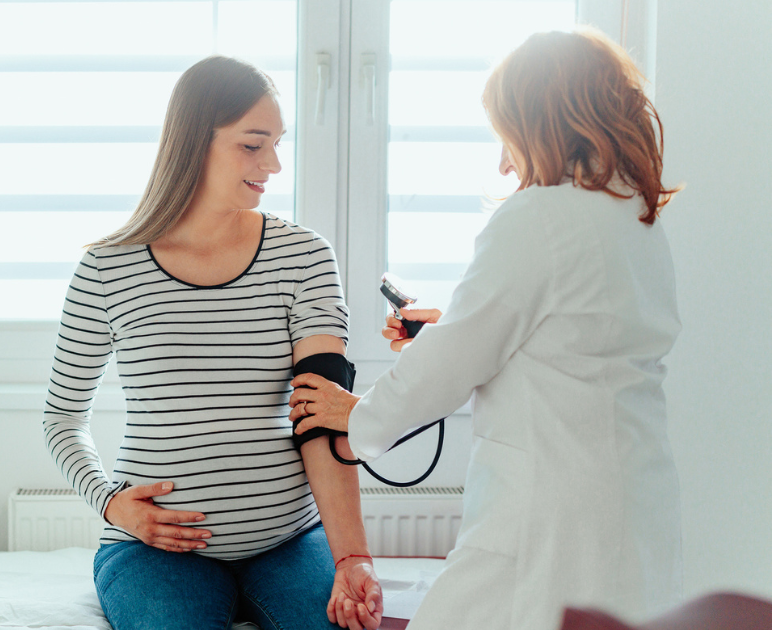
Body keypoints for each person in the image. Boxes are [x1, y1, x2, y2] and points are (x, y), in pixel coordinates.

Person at [289, 28, 684, 630]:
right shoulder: (635, 215)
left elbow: (450, 369)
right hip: (636, 506)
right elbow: (580, 340)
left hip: (547, 519)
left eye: (507, 137)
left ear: (543, 124)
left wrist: (355, 413)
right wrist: (457, 325)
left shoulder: (537, 216)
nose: (503, 161)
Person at [42, 56, 383, 630]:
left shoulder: (304, 257)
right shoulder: (106, 268)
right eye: (253, 145)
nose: (273, 163)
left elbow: (322, 418)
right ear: (194, 142)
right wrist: (110, 503)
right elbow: (61, 418)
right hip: (155, 551)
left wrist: (352, 555)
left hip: (288, 539)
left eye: (277, 143)